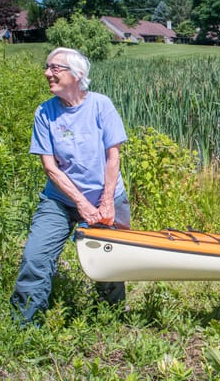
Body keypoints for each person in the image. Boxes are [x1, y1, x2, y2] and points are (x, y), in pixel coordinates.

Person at [10, 47, 130, 326]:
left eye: (55, 68)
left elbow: (113, 157)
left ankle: (109, 321)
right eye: (47, 67)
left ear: (77, 75)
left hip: (107, 197)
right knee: (35, 258)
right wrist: (81, 203)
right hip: (60, 201)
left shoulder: (101, 104)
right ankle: (24, 325)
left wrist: (106, 202)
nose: (47, 73)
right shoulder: (45, 112)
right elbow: (50, 167)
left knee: (109, 262)